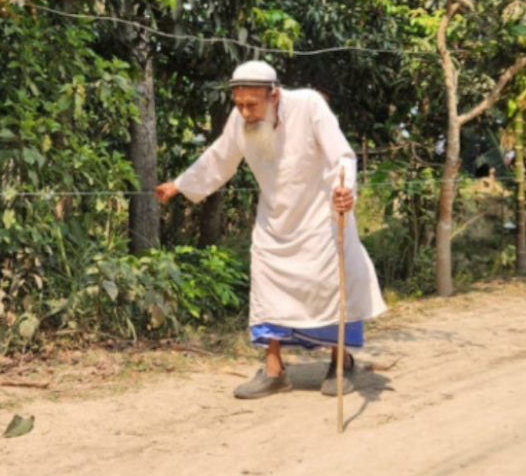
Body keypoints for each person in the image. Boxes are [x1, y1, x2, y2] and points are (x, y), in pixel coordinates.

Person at [154, 61, 387, 400]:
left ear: (274, 95)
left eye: (252, 104)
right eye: (239, 104)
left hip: (322, 217)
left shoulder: (309, 105)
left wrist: (345, 188)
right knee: (267, 288)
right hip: (275, 222)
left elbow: (342, 155)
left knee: (332, 288)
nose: (246, 112)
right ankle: (275, 371)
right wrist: (180, 184)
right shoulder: (241, 120)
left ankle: (341, 364)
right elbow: (220, 157)